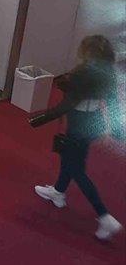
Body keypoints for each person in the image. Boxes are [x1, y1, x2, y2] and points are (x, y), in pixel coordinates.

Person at [31, 35, 123, 242]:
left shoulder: (83, 73)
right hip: (93, 123)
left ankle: (104, 216)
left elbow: (67, 104)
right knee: (71, 160)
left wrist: (39, 119)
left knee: (76, 168)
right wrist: (116, 131)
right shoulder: (109, 73)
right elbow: (113, 103)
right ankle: (58, 192)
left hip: (77, 124)